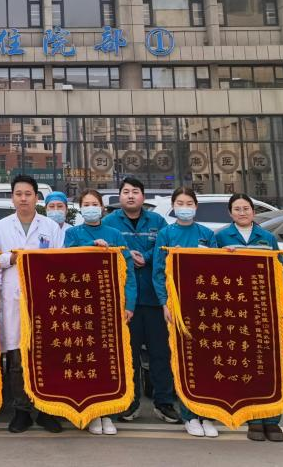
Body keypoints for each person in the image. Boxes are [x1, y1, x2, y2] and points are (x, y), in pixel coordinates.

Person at [0, 174, 65, 434]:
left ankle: (46, 410)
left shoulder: (50, 227)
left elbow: (59, 261)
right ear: (12, 198)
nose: (23, 199)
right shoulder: (2, 227)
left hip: (43, 299)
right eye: (18, 194)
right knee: (17, 359)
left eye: (28, 194)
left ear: (36, 197)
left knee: (44, 356)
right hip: (12, 298)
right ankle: (22, 410)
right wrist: (11, 258)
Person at [103, 177, 180, 425]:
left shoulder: (157, 221)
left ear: (143, 196)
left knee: (160, 354)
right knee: (129, 355)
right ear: (120, 197)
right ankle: (130, 403)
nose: (130, 196)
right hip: (126, 302)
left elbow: (164, 249)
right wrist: (127, 255)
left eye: (135, 191)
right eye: (126, 192)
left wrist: (145, 256)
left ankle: (164, 403)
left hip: (155, 299)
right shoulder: (109, 222)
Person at [214, 193, 283, 444]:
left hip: (264, 307)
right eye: (237, 209)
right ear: (230, 213)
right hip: (236, 310)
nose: (242, 213)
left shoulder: (267, 237)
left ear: (253, 212)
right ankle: (253, 418)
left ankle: (272, 419)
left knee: (268, 363)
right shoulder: (221, 237)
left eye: (246, 208)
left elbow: (280, 273)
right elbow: (211, 271)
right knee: (245, 364)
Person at [64, 189, 138, 437]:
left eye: (94, 204)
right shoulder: (72, 234)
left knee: (109, 360)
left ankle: (109, 412)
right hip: (83, 307)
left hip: (110, 305)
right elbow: (64, 263)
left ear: (102, 208)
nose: (91, 208)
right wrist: (90, 246)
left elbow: (128, 270)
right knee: (86, 360)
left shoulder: (114, 234)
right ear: (80, 208)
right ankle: (92, 412)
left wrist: (129, 304)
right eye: (86, 204)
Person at [153, 186, 219, 439]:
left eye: (189, 203)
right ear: (173, 206)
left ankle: (207, 414)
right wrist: (164, 303)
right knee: (183, 360)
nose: (184, 207)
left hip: (202, 304)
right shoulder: (166, 234)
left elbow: (217, 268)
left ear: (196, 206)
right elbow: (158, 272)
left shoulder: (206, 234)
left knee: (206, 360)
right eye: (180, 203)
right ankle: (190, 415)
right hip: (176, 306)